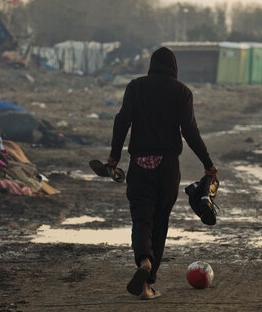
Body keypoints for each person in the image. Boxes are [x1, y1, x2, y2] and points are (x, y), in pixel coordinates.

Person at [107, 47, 217, 299]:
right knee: (160, 222)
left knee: (142, 218)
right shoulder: (182, 92)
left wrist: (114, 155)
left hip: (140, 163)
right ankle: (148, 283)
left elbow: (122, 120)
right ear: (175, 68)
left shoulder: (136, 87)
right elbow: (189, 130)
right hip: (167, 167)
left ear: (151, 65)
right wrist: (207, 163)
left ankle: (143, 262)